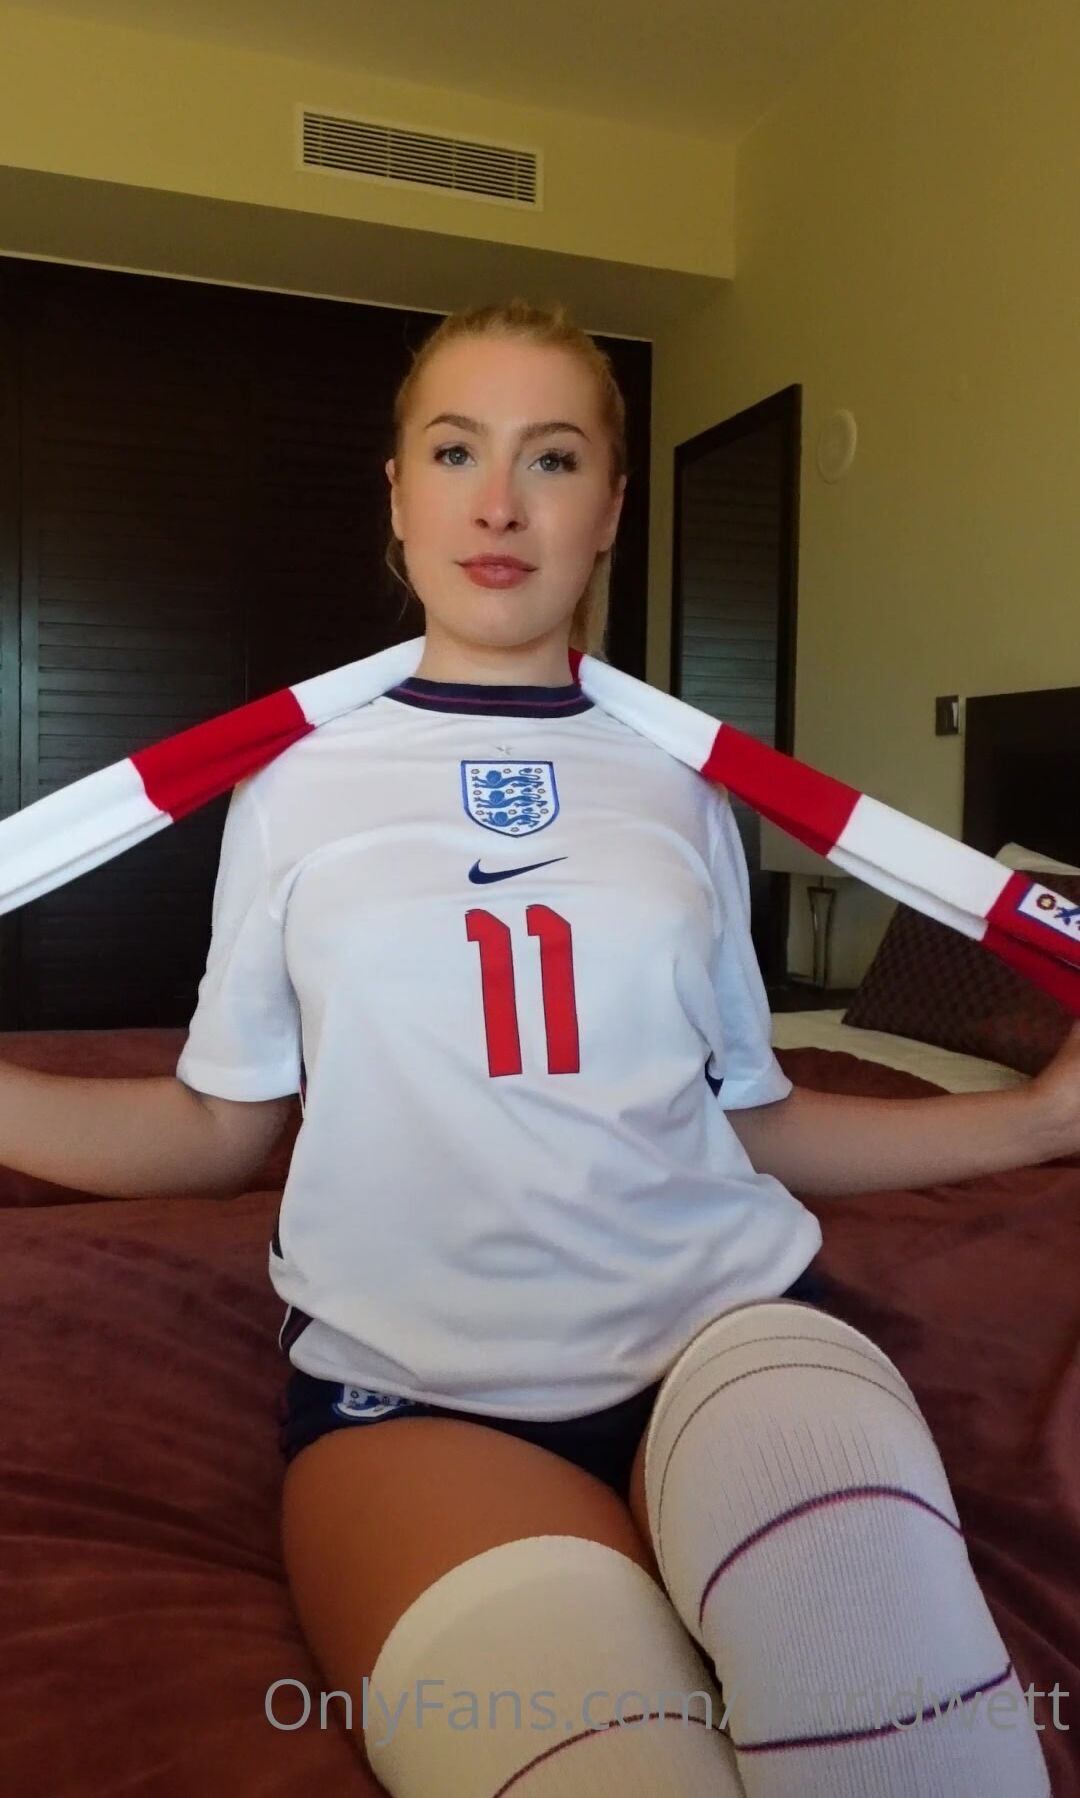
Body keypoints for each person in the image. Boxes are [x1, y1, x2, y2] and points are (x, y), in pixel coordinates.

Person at [5, 299, 1069, 1797]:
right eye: (457, 452)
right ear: (399, 494)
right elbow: (214, 1129)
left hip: (728, 1329)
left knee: (908, 1725)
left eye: (552, 458)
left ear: (609, 509)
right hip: (416, 1397)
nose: (500, 502)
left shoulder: (688, 783)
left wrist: (1036, 1121)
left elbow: (747, 1118)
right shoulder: (292, 782)